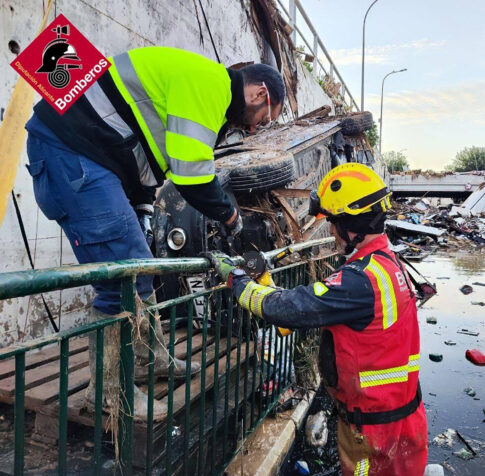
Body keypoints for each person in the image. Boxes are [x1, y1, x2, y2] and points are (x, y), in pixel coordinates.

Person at [25, 46, 286, 419]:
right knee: (123, 280)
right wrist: (230, 216)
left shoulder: (201, 88)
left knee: (139, 268)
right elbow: (192, 177)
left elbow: (150, 160)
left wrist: (144, 209)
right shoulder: (210, 86)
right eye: (265, 117)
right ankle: (109, 394)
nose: (256, 127)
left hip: (91, 155)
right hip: (71, 151)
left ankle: (147, 361)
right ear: (260, 93)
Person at [213, 163, 428, 474]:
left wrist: (237, 281)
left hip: (373, 434)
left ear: (353, 226)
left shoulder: (360, 280)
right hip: (400, 419)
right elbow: (301, 311)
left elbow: (284, 308)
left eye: (333, 222)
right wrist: (263, 278)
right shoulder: (388, 265)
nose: (330, 231)